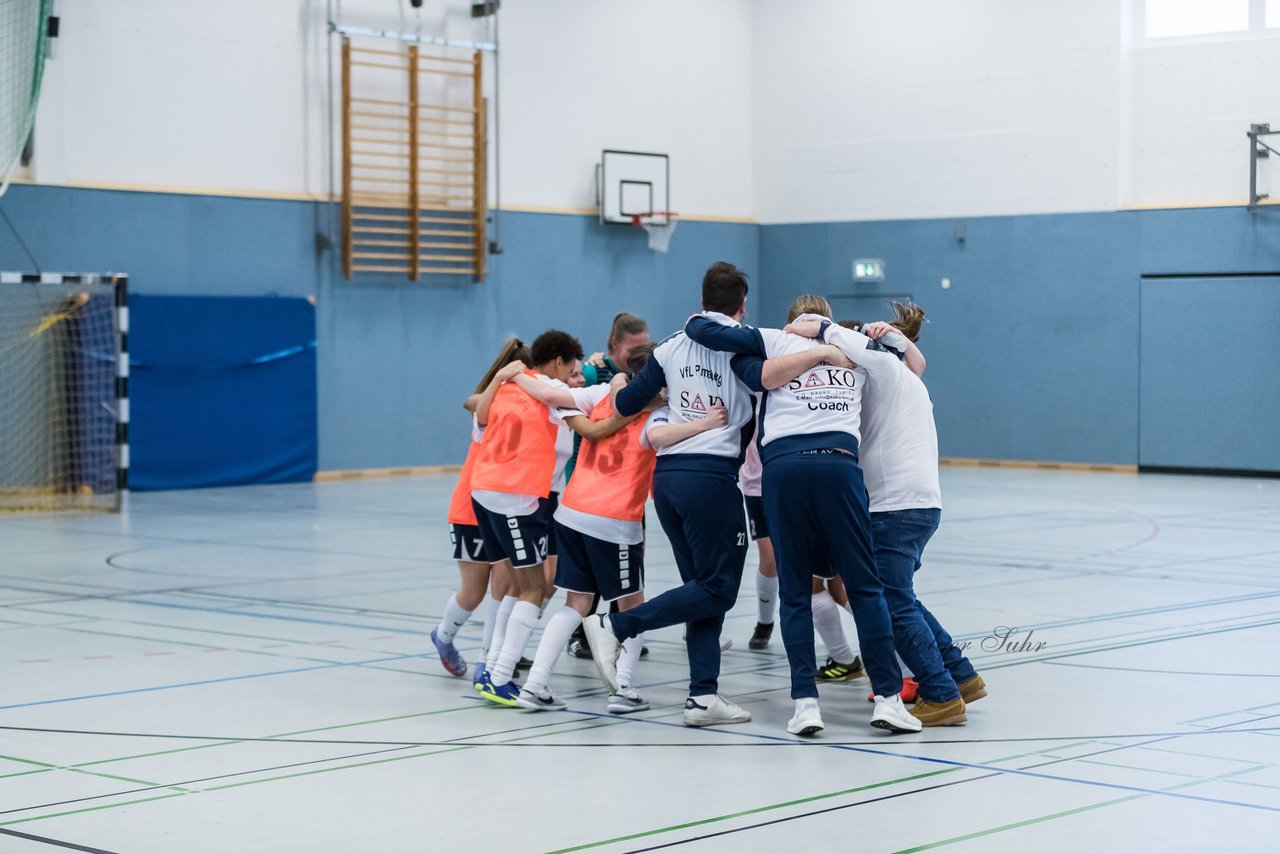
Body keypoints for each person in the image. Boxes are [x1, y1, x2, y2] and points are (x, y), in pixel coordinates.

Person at [582, 262, 839, 726]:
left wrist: (666, 392)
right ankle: (615, 624)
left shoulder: (669, 349)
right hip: (711, 481)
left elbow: (623, 405)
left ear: (702, 299)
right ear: (742, 305)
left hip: (668, 483)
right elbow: (769, 379)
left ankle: (702, 697)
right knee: (717, 588)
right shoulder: (741, 351)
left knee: (700, 588)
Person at [681, 303, 936, 736]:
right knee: (862, 588)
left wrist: (822, 334)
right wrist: (822, 348)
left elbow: (698, 325)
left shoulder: (815, 345)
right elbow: (699, 328)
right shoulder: (845, 350)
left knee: (799, 592)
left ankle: (806, 705)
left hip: (792, 472)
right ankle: (888, 699)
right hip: (832, 469)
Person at [799, 304, 985, 724]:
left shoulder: (883, 369)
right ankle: (960, 675)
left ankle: (939, 694)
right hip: (918, 502)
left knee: (890, 601)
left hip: (897, 505)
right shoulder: (904, 378)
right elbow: (914, 358)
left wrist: (818, 328)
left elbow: (853, 344)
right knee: (902, 597)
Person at [517, 344, 715, 714]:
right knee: (631, 606)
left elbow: (550, 393)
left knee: (575, 603)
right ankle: (622, 686)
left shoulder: (600, 395)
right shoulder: (661, 415)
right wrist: (705, 422)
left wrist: (512, 373)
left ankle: (535, 683)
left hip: (572, 511)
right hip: (613, 521)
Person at [469, 330, 636, 706]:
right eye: (574, 371)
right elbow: (592, 428)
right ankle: (498, 676)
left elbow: (476, 409)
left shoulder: (512, 385)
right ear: (558, 363)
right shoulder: (550, 394)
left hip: (484, 491)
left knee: (518, 584)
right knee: (533, 588)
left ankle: (493, 664)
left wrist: (499, 377)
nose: (576, 378)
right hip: (516, 496)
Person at [429, 339, 528, 679]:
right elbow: (473, 402)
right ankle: (443, 636)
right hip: (471, 509)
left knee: (504, 585)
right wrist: (498, 381)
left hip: (502, 507)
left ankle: (493, 657)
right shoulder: (492, 405)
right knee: (473, 592)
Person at [565, 312, 652, 660]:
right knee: (588, 571)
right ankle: (583, 634)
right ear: (615, 345)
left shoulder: (646, 381)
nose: (639, 351)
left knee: (631, 562)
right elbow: (564, 387)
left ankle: (618, 629)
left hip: (627, 487)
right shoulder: (593, 374)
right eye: (633, 346)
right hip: (588, 482)